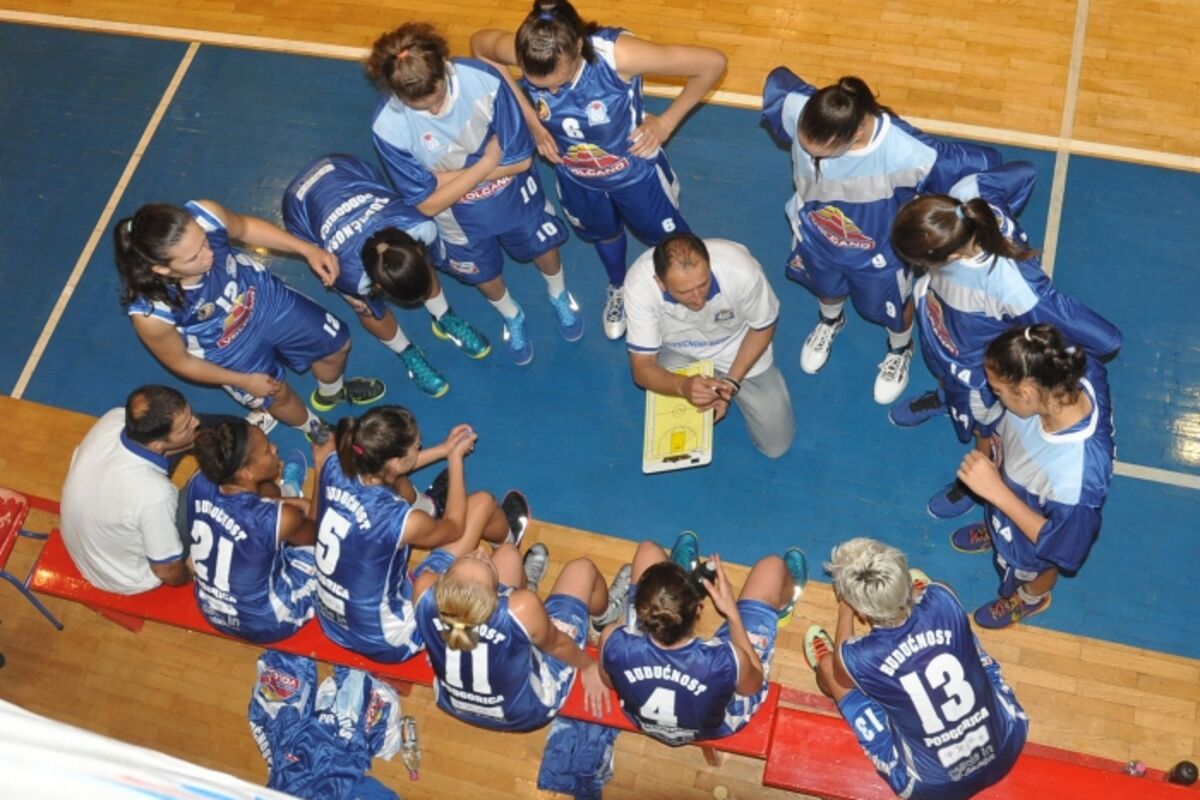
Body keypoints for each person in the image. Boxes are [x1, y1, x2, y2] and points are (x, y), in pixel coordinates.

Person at [471, 1, 727, 339]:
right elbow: (480, 47)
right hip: (576, 177)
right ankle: (617, 286)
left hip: (637, 173)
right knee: (604, 233)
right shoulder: (529, 48)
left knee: (669, 241)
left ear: (578, 46)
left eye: (559, 82)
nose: (552, 93)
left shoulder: (618, 54)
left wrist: (666, 122)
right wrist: (532, 121)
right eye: (540, 86)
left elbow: (712, 63)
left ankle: (683, 293)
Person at [888, 165, 1123, 519]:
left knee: (984, 428)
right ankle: (945, 398)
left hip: (977, 372)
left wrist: (1038, 347)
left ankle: (978, 478)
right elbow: (1025, 174)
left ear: (949, 257)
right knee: (947, 380)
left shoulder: (1009, 285)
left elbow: (1106, 339)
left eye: (918, 261)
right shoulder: (966, 196)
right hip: (944, 334)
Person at [761, 68, 1003, 404]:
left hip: (878, 253)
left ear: (856, 133)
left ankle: (900, 349)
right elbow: (777, 81)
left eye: (821, 154)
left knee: (894, 308)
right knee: (825, 287)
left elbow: (975, 165)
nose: (813, 160)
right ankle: (830, 320)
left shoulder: (905, 151)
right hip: (815, 233)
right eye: (805, 148)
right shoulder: (797, 108)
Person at [365, 23, 582, 366]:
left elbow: (521, 160)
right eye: (420, 107)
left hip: (514, 196)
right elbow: (427, 204)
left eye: (437, 99)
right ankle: (511, 314)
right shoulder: (387, 127)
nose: (433, 112)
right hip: (456, 219)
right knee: (483, 272)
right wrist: (487, 162)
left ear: (445, 66)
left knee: (544, 246)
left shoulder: (483, 79)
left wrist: (444, 179)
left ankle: (558, 293)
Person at [114, 201, 385, 436]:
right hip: (226, 347)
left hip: (264, 298)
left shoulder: (206, 215)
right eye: (194, 257)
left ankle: (331, 392)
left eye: (204, 240)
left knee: (337, 346)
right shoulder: (152, 313)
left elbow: (244, 228)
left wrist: (307, 250)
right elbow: (182, 362)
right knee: (276, 395)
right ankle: (316, 431)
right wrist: (242, 381)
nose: (209, 253)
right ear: (162, 269)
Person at [805, 537, 1027, 799]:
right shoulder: (943, 595)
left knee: (831, 670)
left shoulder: (859, 655)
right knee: (959, 632)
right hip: (1008, 743)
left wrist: (845, 608)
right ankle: (910, 602)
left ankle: (824, 675)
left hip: (930, 789)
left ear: (862, 613)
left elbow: (842, 672)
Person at [313, 405, 522, 662]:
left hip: (332, 619)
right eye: (417, 446)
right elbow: (455, 527)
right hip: (388, 639)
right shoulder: (401, 520)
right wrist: (454, 459)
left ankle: (430, 507)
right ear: (397, 460)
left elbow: (390, 469)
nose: (421, 446)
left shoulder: (335, 462)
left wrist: (443, 448)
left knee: (397, 485)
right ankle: (510, 546)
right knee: (482, 504)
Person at [283, 153, 493, 399]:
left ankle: (443, 316)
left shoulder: (420, 226)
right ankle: (406, 352)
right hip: (300, 205)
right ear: (378, 285)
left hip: (343, 167)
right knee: (367, 309)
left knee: (414, 267)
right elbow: (371, 307)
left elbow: (422, 262)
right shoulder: (350, 276)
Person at [951, 324, 1114, 628]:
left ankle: (1029, 599)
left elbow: (1063, 547)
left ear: (1026, 393)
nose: (995, 395)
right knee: (1004, 504)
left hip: (1031, 534)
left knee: (1038, 570)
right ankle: (998, 530)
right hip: (1018, 488)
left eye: (998, 391)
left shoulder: (1077, 480)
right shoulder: (1066, 370)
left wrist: (996, 492)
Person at [598, 531, 807, 745]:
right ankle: (783, 605)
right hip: (715, 724)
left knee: (647, 550)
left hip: (641, 718)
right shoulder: (725, 660)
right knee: (772, 567)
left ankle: (678, 577)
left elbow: (610, 682)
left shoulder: (612, 639)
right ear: (699, 608)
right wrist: (732, 614)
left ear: (641, 609)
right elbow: (754, 685)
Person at [412, 542, 616, 731]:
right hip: (526, 711)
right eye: (482, 561)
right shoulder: (521, 607)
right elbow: (557, 646)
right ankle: (601, 620)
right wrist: (589, 666)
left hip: (453, 703)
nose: (481, 551)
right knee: (582, 569)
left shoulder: (424, 588)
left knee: (508, 552)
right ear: (495, 595)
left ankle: (529, 614)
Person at [624, 233, 795, 458]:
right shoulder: (639, 287)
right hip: (679, 349)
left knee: (776, 445)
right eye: (684, 292)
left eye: (703, 284)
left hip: (738, 345)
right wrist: (683, 386)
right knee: (671, 412)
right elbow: (641, 367)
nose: (698, 299)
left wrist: (729, 385)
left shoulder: (741, 271)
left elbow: (762, 328)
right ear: (660, 283)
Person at [184, 418, 324, 643]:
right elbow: (318, 536)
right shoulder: (280, 518)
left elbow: (244, 507)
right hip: (268, 622)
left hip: (212, 609)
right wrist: (322, 465)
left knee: (271, 528)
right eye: (268, 449)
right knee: (335, 550)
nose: (275, 448)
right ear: (247, 472)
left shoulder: (199, 479)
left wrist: (288, 504)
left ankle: (288, 490)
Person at [60, 385, 197, 594]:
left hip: (88, 548)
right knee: (202, 487)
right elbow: (167, 571)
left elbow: (176, 440)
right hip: (127, 577)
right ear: (157, 445)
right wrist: (190, 575)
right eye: (185, 427)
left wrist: (200, 439)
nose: (195, 422)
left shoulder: (114, 418)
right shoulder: (156, 494)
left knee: (204, 433)